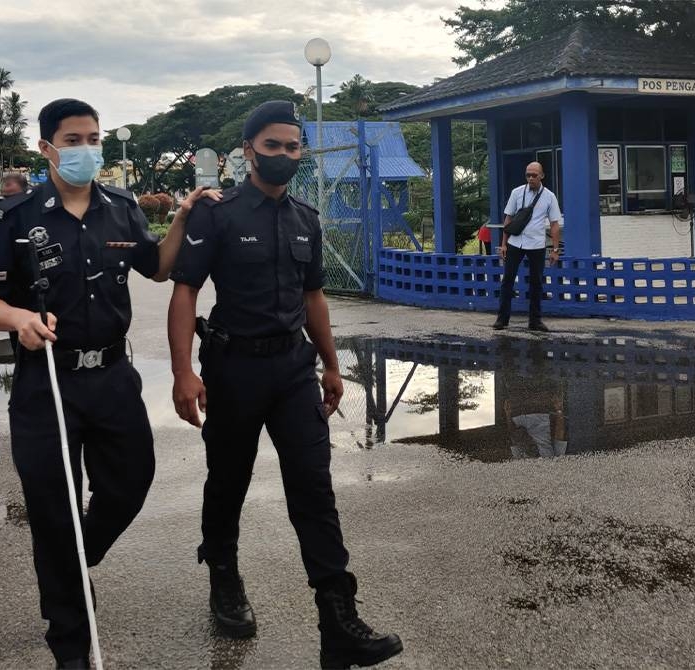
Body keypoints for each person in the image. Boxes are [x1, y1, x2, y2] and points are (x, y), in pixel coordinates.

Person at [0, 98, 218, 669]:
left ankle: (75, 561)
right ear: (48, 148)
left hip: (110, 376)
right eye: (74, 139)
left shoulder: (122, 209)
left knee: (131, 482)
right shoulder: (15, 218)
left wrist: (180, 218)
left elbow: (156, 267)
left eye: (93, 138)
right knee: (54, 509)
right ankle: (71, 643)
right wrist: (20, 321)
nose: (86, 149)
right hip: (45, 385)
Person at [168, 100, 403, 669]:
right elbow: (184, 294)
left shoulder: (305, 218)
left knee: (314, 491)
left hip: (294, 371)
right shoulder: (216, 215)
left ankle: (337, 618)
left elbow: (314, 297)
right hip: (233, 369)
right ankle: (223, 578)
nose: (283, 156)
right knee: (228, 481)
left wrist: (330, 364)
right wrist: (183, 373)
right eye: (271, 146)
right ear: (248, 151)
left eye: (293, 147)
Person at [493, 162, 561, 332]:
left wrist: (555, 250)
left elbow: (554, 224)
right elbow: (508, 220)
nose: (530, 178)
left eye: (534, 175)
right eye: (528, 175)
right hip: (515, 242)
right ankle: (502, 319)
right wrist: (503, 245)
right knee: (507, 280)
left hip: (537, 245)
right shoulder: (517, 192)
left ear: (542, 176)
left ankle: (535, 321)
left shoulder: (549, 196)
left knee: (536, 283)